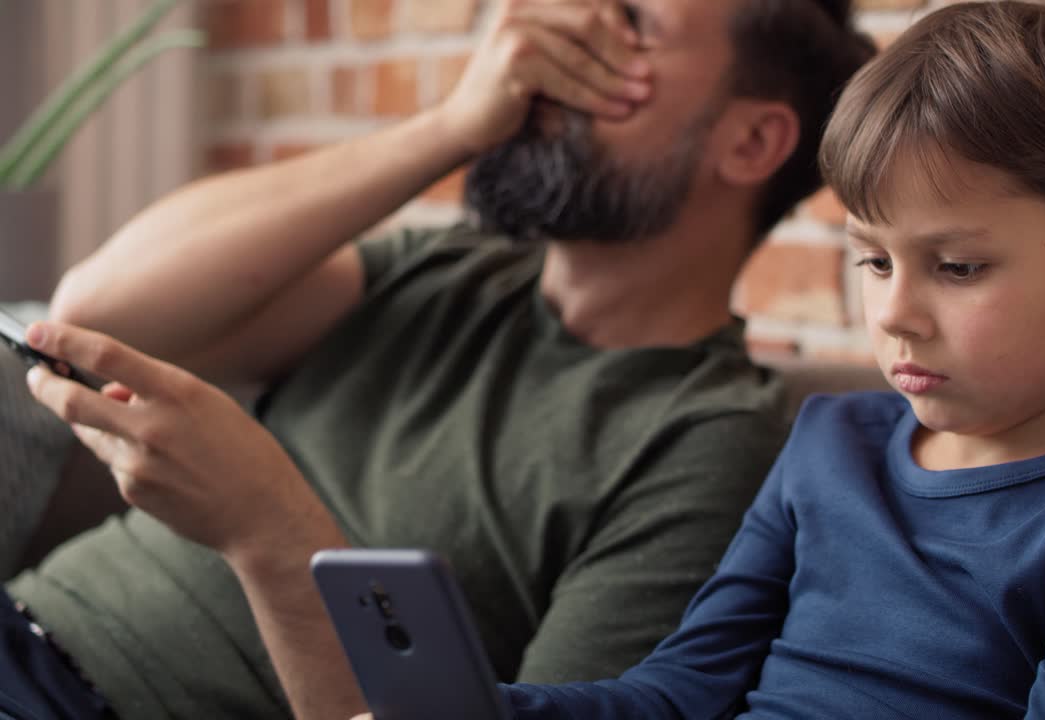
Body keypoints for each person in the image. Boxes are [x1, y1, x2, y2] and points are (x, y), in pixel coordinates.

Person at [332, 2, 1045, 718]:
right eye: (874, 260)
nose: (895, 314)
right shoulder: (830, 441)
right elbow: (676, 694)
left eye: (957, 268)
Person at [0, 1, 874, 719]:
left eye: (629, 25)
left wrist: (270, 532)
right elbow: (99, 307)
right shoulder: (452, 266)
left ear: (752, 144)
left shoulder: (706, 442)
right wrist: (451, 125)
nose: (552, 40)